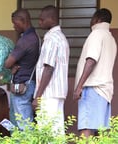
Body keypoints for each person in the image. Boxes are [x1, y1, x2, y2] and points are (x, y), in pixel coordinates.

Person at [73, 8, 117, 138]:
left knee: (86, 128)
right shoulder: (111, 39)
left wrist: (79, 86)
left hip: (92, 88)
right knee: (100, 131)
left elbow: (91, 60)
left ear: (97, 19)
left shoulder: (96, 34)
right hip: (105, 91)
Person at [32, 5, 69, 135]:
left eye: (42, 19)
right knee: (56, 132)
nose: (39, 22)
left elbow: (48, 68)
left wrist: (38, 96)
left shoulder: (52, 39)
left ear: (52, 19)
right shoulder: (61, 37)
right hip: (57, 92)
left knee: (47, 132)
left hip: (48, 93)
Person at [5, 9, 40, 130]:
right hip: (30, 82)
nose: (14, 26)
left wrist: (11, 66)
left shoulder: (26, 40)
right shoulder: (35, 37)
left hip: (23, 85)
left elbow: (7, 63)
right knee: (21, 122)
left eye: (15, 23)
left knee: (24, 124)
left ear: (23, 21)